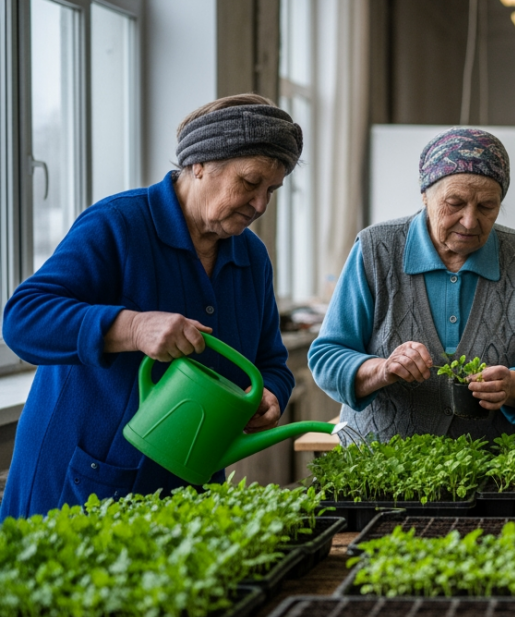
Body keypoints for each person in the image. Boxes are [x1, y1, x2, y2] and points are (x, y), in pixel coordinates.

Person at [0, 94, 301, 519]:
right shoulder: (118, 225)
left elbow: (271, 359)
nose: (261, 205)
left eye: (272, 190)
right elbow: (23, 319)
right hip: (79, 485)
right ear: (200, 164)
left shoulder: (251, 258)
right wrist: (133, 327)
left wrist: (271, 394)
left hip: (188, 490)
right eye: (250, 183)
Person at [309, 127, 515, 443]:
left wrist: (514, 384)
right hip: (384, 466)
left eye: (487, 206)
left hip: (494, 467)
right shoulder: (376, 249)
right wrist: (382, 369)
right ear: (424, 195)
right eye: (455, 203)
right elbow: (327, 356)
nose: (470, 221)